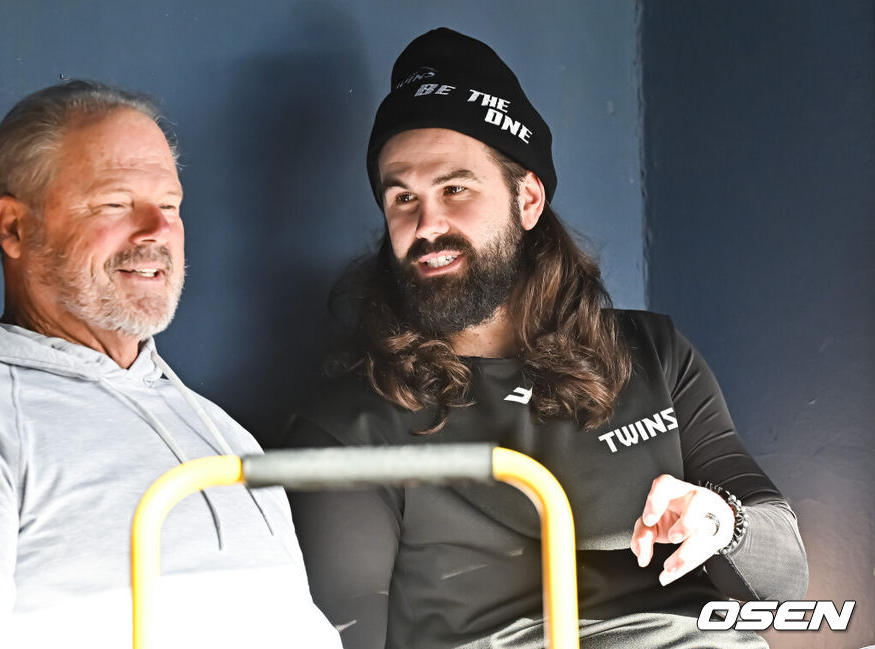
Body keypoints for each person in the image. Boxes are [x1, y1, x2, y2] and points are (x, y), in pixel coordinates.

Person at [283, 28, 808, 649]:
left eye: (455, 189)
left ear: (527, 199)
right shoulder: (350, 422)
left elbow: (784, 586)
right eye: (402, 197)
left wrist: (722, 522)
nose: (426, 225)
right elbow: (341, 636)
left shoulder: (651, 353)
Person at [0, 80, 341, 649]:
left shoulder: (221, 433)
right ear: (15, 227)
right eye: (114, 203)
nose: (157, 231)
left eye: (170, 205)